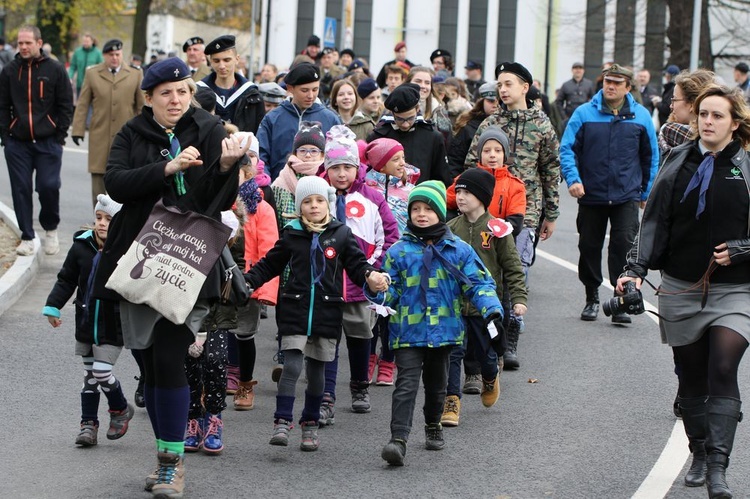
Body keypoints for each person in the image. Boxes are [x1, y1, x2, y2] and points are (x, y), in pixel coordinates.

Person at [91, 57, 249, 497]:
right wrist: (168, 168)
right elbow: (117, 184)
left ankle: (170, 465)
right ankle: (165, 454)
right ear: (150, 98)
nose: (176, 99)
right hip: (138, 258)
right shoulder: (131, 132)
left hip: (190, 261)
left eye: (182, 91)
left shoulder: (211, 128)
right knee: (149, 366)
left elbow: (217, 202)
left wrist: (225, 167)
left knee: (168, 359)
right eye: (166, 93)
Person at [619, 84, 750, 499]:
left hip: (736, 290)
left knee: (724, 367)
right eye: (703, 115)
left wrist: (744, 248)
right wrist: (634, 271)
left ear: (735, 123)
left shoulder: (747, 165)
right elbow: (654, 220)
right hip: (679, 287)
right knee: (691, 377)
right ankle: (698, 451)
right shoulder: (678, 159)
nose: (708, 122)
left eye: (717, 116)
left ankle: (718, 469)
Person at [244, 175, 388, 451]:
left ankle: (309, 424)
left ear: (328, 204)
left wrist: (371, 276)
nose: (314, 206)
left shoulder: (341, 234)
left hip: (327, 312)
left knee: (318, 373)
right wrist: (250, 280)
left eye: (319, 200)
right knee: (293, 366)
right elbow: (270, 264)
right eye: (307, 201)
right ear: (300, 206)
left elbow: (358, 267)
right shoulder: (291, 233)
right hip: (295, 310)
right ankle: (282, 421)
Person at [373, 180, 503, 466]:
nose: (421, 214)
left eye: (428, 209)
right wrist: (378, 288)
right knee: (406, 384)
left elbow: (479, 284)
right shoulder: (398, 252)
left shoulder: (459, 250)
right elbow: (389, 292)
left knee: (437, 385)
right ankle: (398, 439)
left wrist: (492, 311)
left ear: (440, 212)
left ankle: (433, 425)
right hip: (408, 331)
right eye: (415, 208)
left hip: (444, 332)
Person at [464, 62, 560, 369]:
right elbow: (471, 162)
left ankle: (512, 335)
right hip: (488, 210)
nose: (502, 90)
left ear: (525, 87)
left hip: (525, 213)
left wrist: (551, 213)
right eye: (499, 85)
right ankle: (488, 335)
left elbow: (550, 169)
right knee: (486, 271)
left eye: (508, 84)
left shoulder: (542, 124)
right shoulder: (491, 123)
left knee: (516, 270)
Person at [559, 64, 658, 324]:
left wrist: (645, 192)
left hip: (626, 195)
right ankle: (591, 296)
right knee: (589, 246)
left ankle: (621, 302)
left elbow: (651, 157)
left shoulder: (641, 116)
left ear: (628, 87)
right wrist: (573, 179)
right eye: (606, 82)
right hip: (591, 194)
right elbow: (567, 148)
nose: (610, 86)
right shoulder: (584, 113)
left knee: (623, 248)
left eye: (616, 83)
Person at [316, 126, 398, 423]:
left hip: (360, 283)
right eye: (334, 167)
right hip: (325, 281)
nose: (341, 174)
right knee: (327, 341)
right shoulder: (318, 196)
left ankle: (360, 386)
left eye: (347, 167)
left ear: (357, 167)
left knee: (361, 335)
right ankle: (326, 395)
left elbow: (388, 235)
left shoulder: (372, 198)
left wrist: (371, 268)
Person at [43, 194, 133, 447]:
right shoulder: (81, 246)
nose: (102, 223)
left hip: (112, 323)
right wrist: (53, 306)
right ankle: (88, 424)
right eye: (98, 217)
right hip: (85, 321)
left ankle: (119, 408)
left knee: (102, 371)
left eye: (109, 219)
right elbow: (67, 279)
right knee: (89, 376)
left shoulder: (127, 249)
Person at [442, 168, 527, 426]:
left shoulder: (497, 230)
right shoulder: (450, 228)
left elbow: (512, 265)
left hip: (486, 308)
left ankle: (490, 376)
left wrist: (519, 298)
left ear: (482, 196)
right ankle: (451, 401)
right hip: (455, 306)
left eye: (467, 192)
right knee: (454, 354)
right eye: (458, 192)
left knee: (487, 355)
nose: (461, 197)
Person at [0, 25, 74, 256]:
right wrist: (6, 136)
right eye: (20, 43)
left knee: (48, 186)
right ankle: (27, 236)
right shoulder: (10, 71)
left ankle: (50, 229)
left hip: (48, 142)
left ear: (39, 43)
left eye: (27, 43)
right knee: (20, 189)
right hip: (17, 143)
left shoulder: (55, 69)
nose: (22, 47)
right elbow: (2, 106)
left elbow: (65, 104)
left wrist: (60, 136)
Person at [362, 138, 420, 385]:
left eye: (402, 157)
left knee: (392, 314)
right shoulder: (366, 190)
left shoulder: (410, 192)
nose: (402, 163)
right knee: (370, 313)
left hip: (400, 262)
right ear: (380, 164)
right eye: (395, 159)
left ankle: (388, 360)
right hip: (372, 260)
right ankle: (368, 358)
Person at [234, 132, 279, 410]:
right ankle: (210, 382)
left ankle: (245, 383)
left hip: (246, 279)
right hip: (217, 277)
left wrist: (262, 289)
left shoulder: (261, 208)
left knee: (244, 334)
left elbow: (269, 252)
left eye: (243, 170)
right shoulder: (216, 200)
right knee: (212, 333)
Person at [71, 39, 145, 206]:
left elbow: (142, 107)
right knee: (98, 179)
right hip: (100, 135)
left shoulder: (135, 74)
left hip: (127, 136)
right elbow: (83, 103)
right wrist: (78, 130)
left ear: (122, 54)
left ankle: (120, 220)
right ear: (104, 55)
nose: (114, 58)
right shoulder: (93, 74)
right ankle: (99, 220)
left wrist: (145, 133)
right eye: (110, 54)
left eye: (117, 54)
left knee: (125, 178)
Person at [257, 62, 341, 180]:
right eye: (305, 90)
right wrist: (269, 186)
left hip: (319, 193)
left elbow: (339, 156)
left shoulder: (330, 119)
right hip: (279, 190)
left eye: (315, 89)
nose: (311, 95)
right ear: (290, 88)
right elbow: (261, 156)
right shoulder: (272, 119)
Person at [367, 83, 452, 186]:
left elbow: (442, 178)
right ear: (392, 114)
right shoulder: (378, 136)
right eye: (400, 119)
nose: (405, 124)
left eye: (410, 118)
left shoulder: (433, 137)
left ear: (417, 110)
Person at [197, 35, 265, 133]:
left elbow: (258, 131)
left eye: (226, 60)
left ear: (237, 59)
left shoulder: (252, 94)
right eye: (216, 61)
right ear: (211, 62)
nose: (221, 66)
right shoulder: (199, 91)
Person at [659, 69, 715, 156]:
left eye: (674, 99)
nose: (671, 106)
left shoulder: (668, 131)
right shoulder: (721, 139)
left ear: (692, 105)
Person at [447, 81, 499, 174]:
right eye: (490, 101)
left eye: (499, 101)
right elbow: (455, 160)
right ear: (482, 101)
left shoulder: (510, 126)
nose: (495, 105)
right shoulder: (468, 127)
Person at [406, 66, 452, 146]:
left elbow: (445, 144)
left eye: (427, 83)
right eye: (418, 81)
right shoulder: (394, 107)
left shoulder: (439, 112)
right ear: (408, 83)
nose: (423, 86)